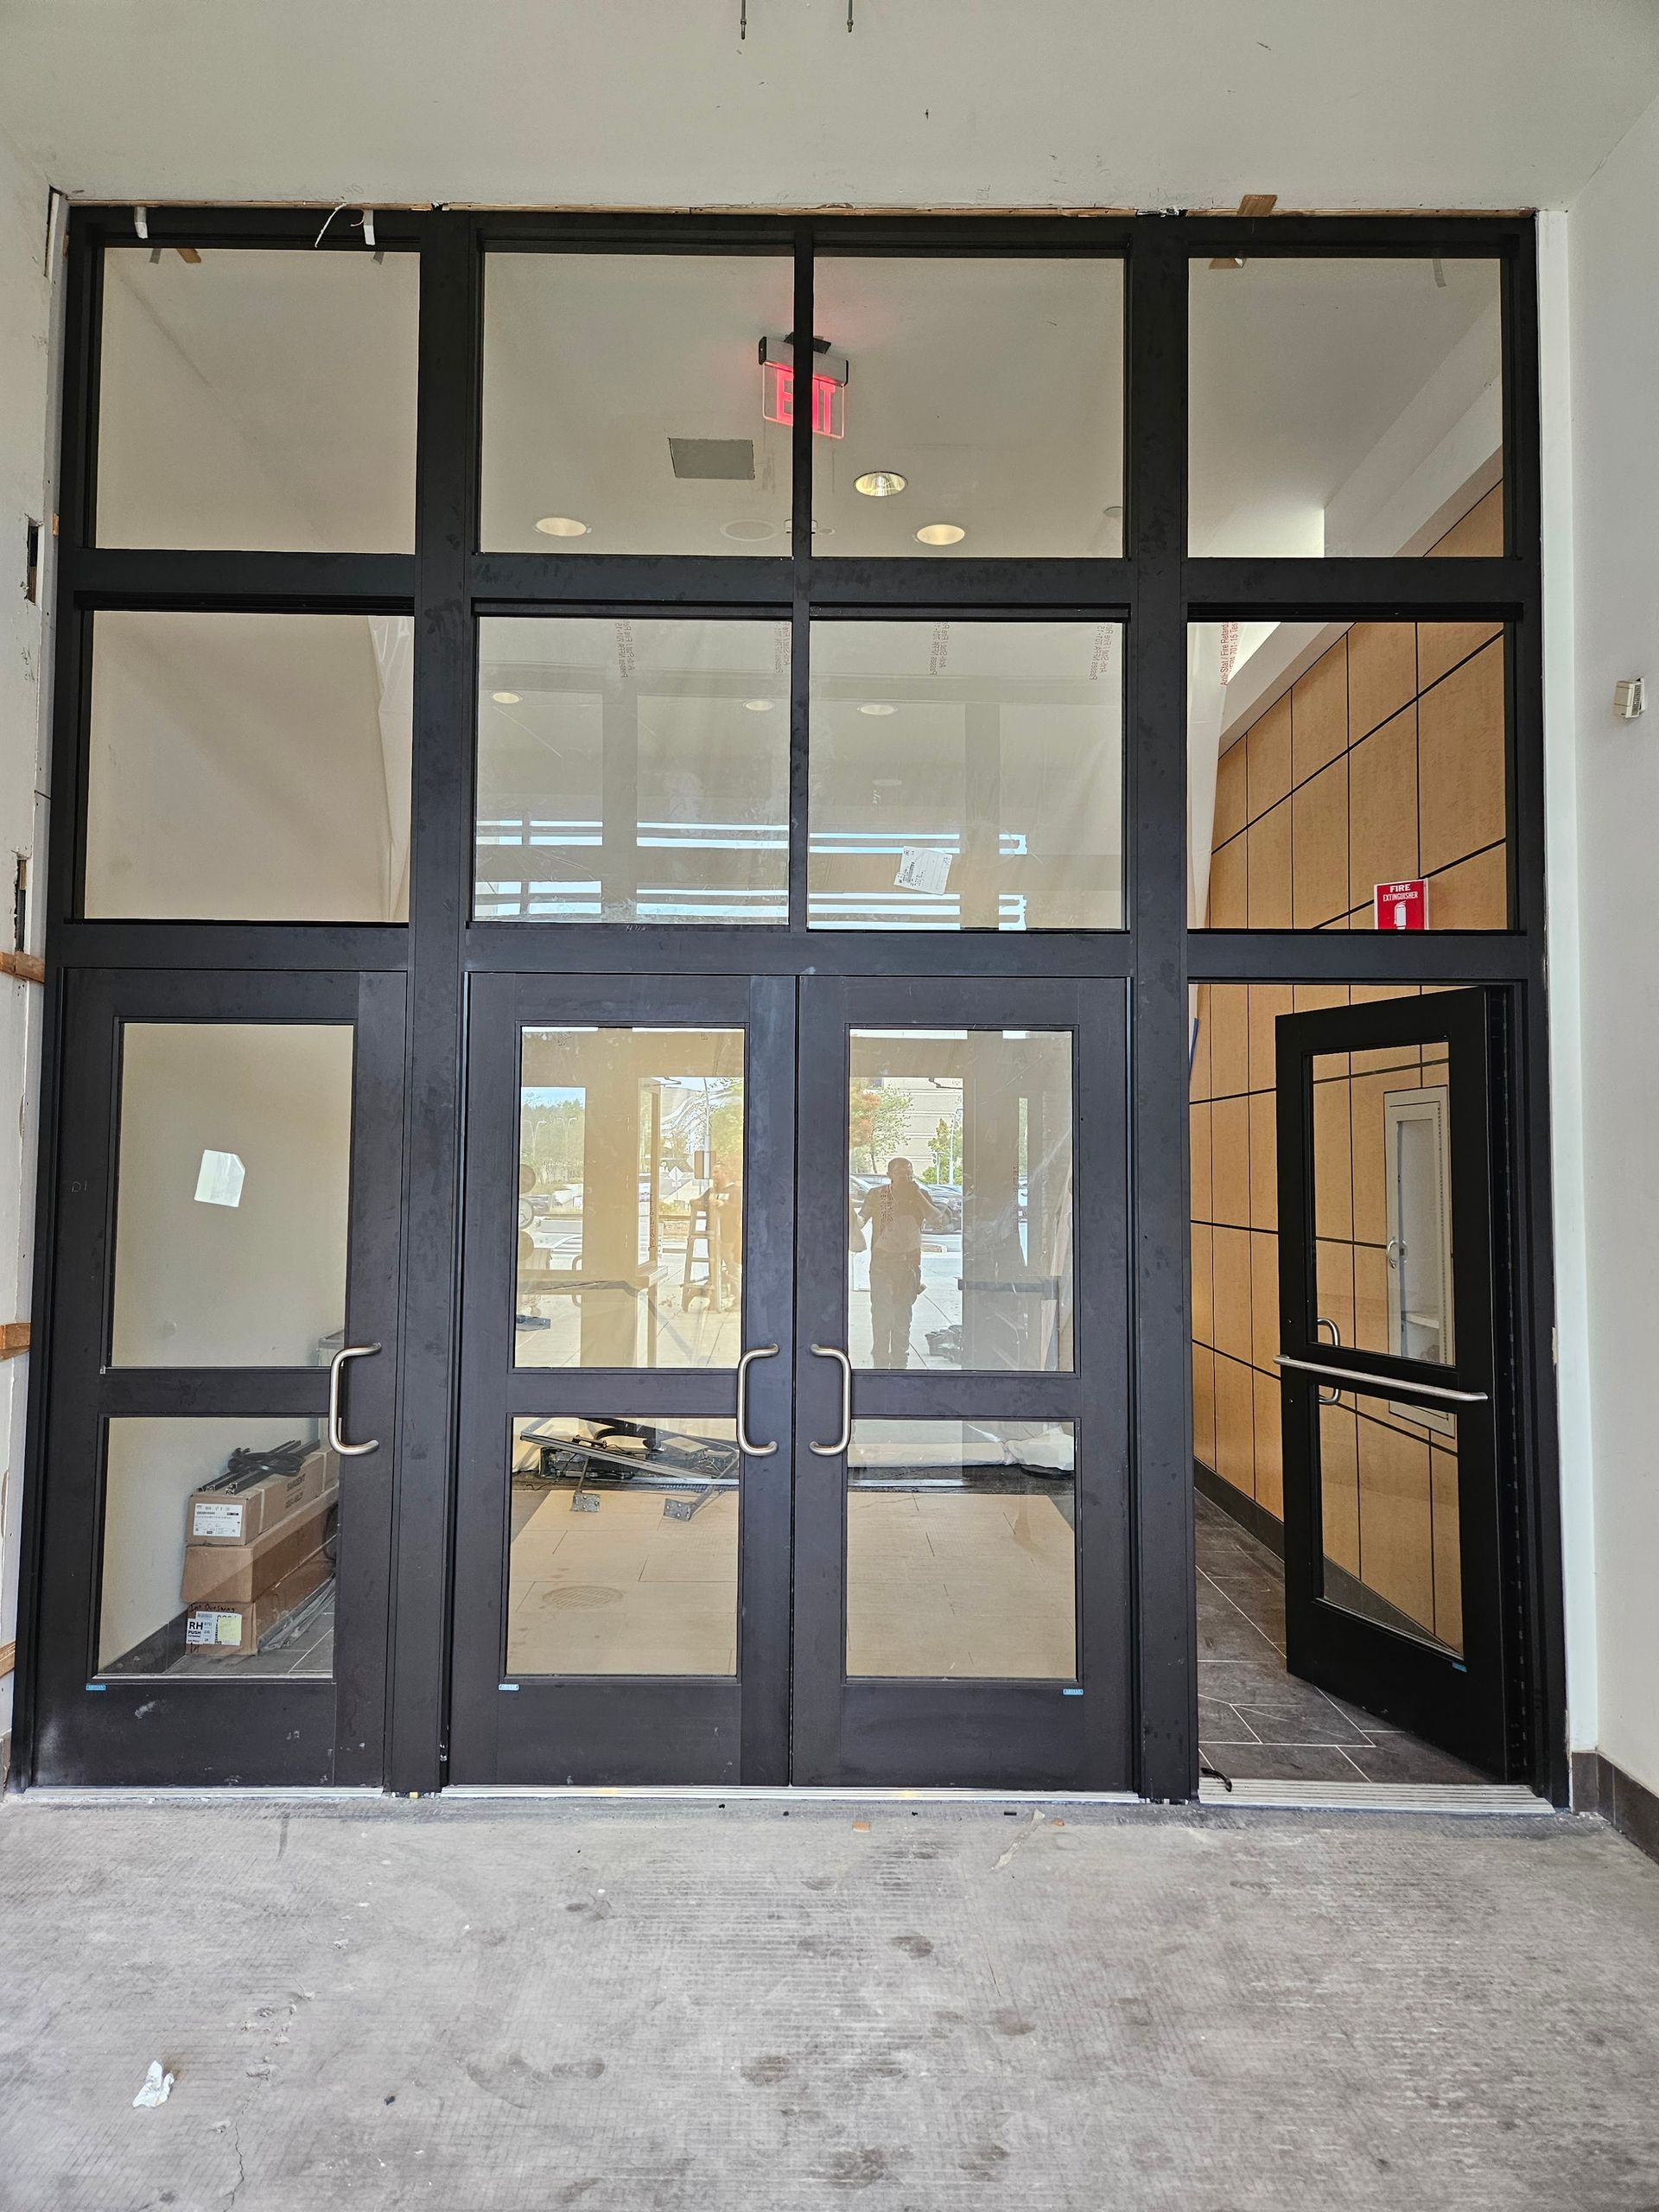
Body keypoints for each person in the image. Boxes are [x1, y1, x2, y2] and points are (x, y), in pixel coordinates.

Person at [859, 1157, 944, 1370]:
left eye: (909, 1173)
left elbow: (937, 1219)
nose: (905, 1177)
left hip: (908, 1266)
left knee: (902, 1317)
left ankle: (900, 1364)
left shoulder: (920, 1195)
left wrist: (917, 1196)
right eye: (900, 1173)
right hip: (882, 1264)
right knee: (881, 1314)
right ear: (890, 1175)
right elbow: (862, 1219)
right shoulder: (878, 1195)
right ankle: (880, 1362)